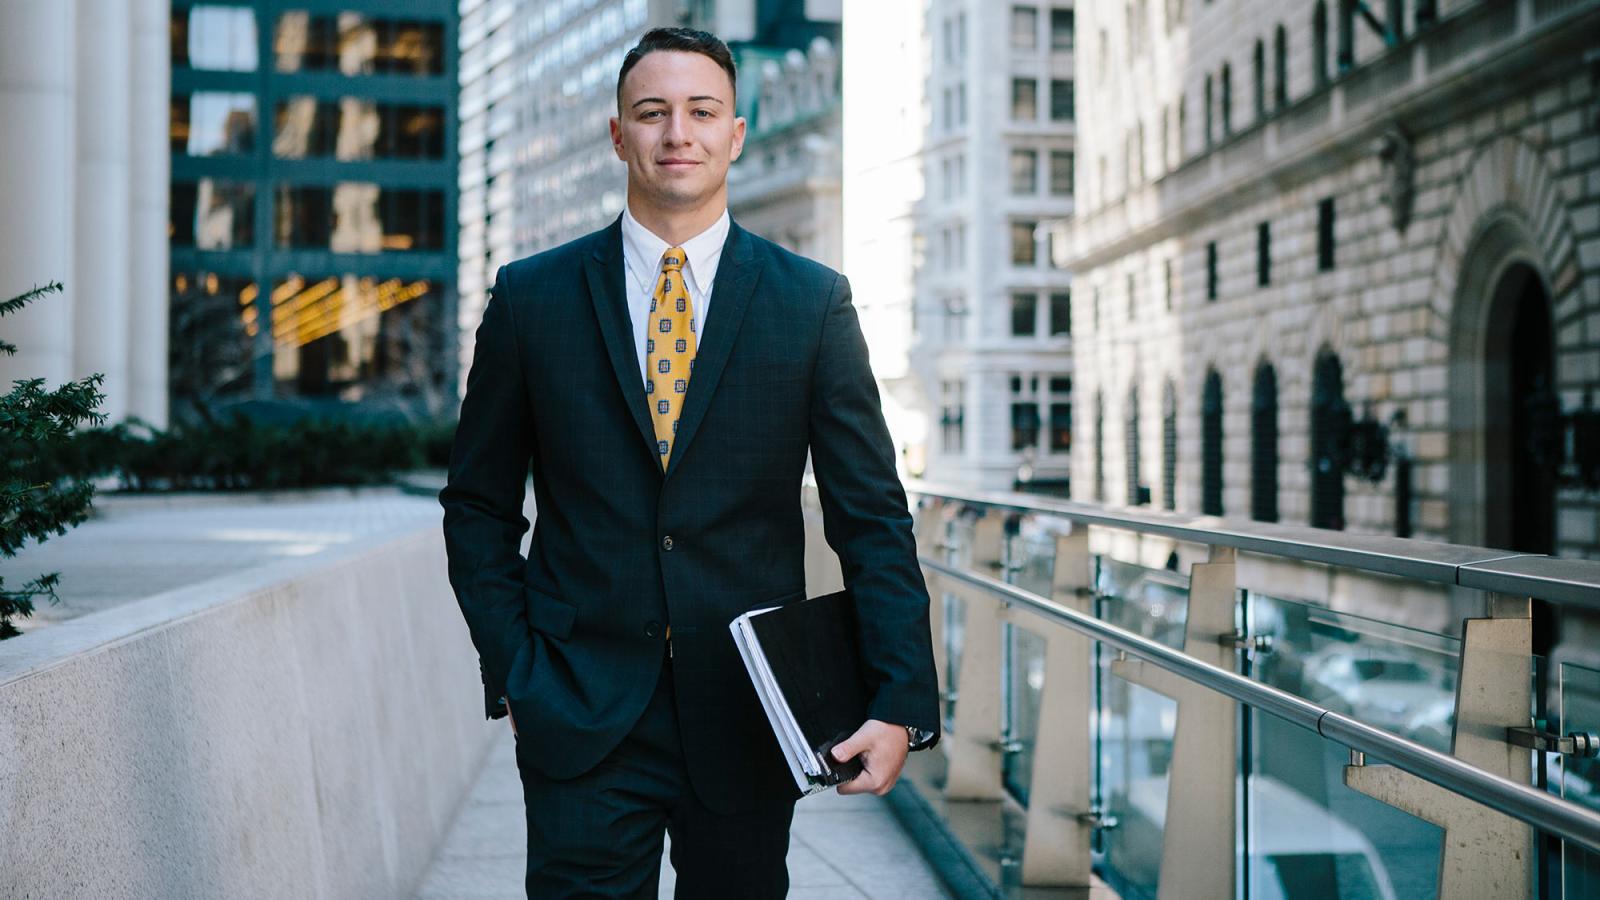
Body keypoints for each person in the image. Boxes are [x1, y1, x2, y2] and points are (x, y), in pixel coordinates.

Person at [439, 26, 939, 899]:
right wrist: (517, 668)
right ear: (618, 134)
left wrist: (900, 700)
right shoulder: (531, 299)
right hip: (580, 704)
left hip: (751, 709)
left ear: (735, 134)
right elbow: (478, 506)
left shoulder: (811, 303)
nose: (678, 134)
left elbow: (871, 516)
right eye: (652, 113)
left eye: (702, 112)